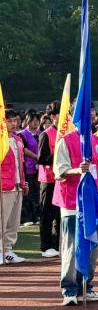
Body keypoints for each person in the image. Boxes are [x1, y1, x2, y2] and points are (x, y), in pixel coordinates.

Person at [53, 105, 98, 305]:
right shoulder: (65, 141)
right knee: (71, 248)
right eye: (86, 113)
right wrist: (78, 170)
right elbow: (59, 171)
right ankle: (69, 290)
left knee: (92, 247)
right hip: (72, 203)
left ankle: (86, 286)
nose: (90, 116)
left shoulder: (97, 141)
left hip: (94, 202)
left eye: (93, 114)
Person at [2, 108, 27, 263]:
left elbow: (20, 163)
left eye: (15, 120)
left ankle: (7, 250)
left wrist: (23, 182)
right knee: (1, 220)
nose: (13, 123)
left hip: (17, 185)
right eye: (9, 120)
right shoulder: (1, 140)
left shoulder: (18, 139)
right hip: (4, 186)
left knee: (13, 221)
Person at [35, 106, 61, 257]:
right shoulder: (46, 134)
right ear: (53, 117)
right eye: (61, 114)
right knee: (47, 213)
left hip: (62, 179)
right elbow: (41, 158)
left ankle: (57, 243)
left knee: (60, 214)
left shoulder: (66, 133)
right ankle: (46, 246)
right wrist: (58, 155)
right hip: (49, 179)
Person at [18, 111, 41, 227]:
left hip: (39, 168)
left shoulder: (41, 133)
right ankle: (26, 217)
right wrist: (37, 157)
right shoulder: (22, 134)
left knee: (37, 192)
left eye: (37, 120)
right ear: (27, 121)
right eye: (32, 120)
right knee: (28, 193)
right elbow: (24, 149)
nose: (35, 123)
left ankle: (37, 215)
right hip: (27, 168)